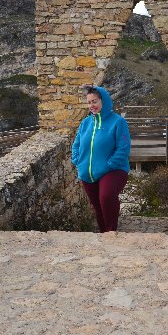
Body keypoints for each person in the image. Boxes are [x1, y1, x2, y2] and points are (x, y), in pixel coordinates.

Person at [71, 86, 131, 233]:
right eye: (89, 102)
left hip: (113, 169)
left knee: (106, 196)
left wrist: (108, 164)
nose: (92, 105)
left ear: (104, 101)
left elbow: (123, 148)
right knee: (97, 205)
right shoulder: (85, 123)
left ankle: (111, 231)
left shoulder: (118, 122)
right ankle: (104, 233)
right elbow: (76, 144)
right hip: (88, 171)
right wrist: (77, 160)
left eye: (95, 101)